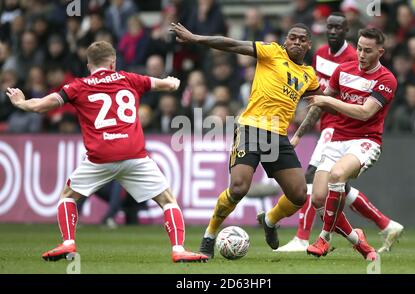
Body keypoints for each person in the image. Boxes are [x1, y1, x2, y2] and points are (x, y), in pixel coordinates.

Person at [6, 41, 208, 263]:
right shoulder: (129, 78)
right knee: (167, 200)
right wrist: (173, 82)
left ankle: (68, 243)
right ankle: (178, 249)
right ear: (113, 62)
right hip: (134, 154)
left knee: (68, 197)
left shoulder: (77, 86)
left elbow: (42, 105)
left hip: (100, 157)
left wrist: (22, 103)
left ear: (88, 64)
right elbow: (166, 86)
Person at [171, 22, 354, 259]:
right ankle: (209, 235)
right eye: (292, 37)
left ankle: (269, 220)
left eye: (302, 39)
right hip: (251, 129)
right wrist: (196, 37)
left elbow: (322, 103)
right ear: (285, 41)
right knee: (238, 188)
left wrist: (348, 103)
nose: (297, 42)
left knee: (299, 195)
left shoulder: (308, 76)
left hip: (278, 137)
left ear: (309, 44)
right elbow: (233, 44)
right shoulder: (271, 52)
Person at [276, 13, 403, 253]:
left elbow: (365, 113)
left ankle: (323, 238)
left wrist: (327, 101)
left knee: (337, 176)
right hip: (337, 140)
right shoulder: (342, 71)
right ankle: (358, 240)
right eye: (360, 49)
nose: (362, 55)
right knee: (317, 197)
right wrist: (299, 134)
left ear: (381, 53)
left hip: (365, 142)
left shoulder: (387, 79)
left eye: (368, 51)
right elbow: (319, 105)